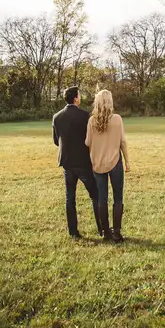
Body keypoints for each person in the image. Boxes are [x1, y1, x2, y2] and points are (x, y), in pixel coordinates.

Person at [52, 86, 101, 239]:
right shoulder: (85, 116)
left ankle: (73, 232)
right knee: (95, 195)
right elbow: (90, 140)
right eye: (79, 95)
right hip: (83, 162)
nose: (80, 97)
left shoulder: (57, 117)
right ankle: (102, 229)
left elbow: (56, 141)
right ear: (75, 98)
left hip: (67, 162)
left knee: (70, 197)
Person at [86, 89, 130, 244]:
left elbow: (87, 143)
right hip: (115, 161)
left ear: (97, 102)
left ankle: (105, 232)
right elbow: (123, 142)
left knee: (101, 199)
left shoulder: (92, 121)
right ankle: (116, 233)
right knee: (118, 198)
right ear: (110, 102)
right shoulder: (117, 119)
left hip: (97, 163)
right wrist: (128, 162)